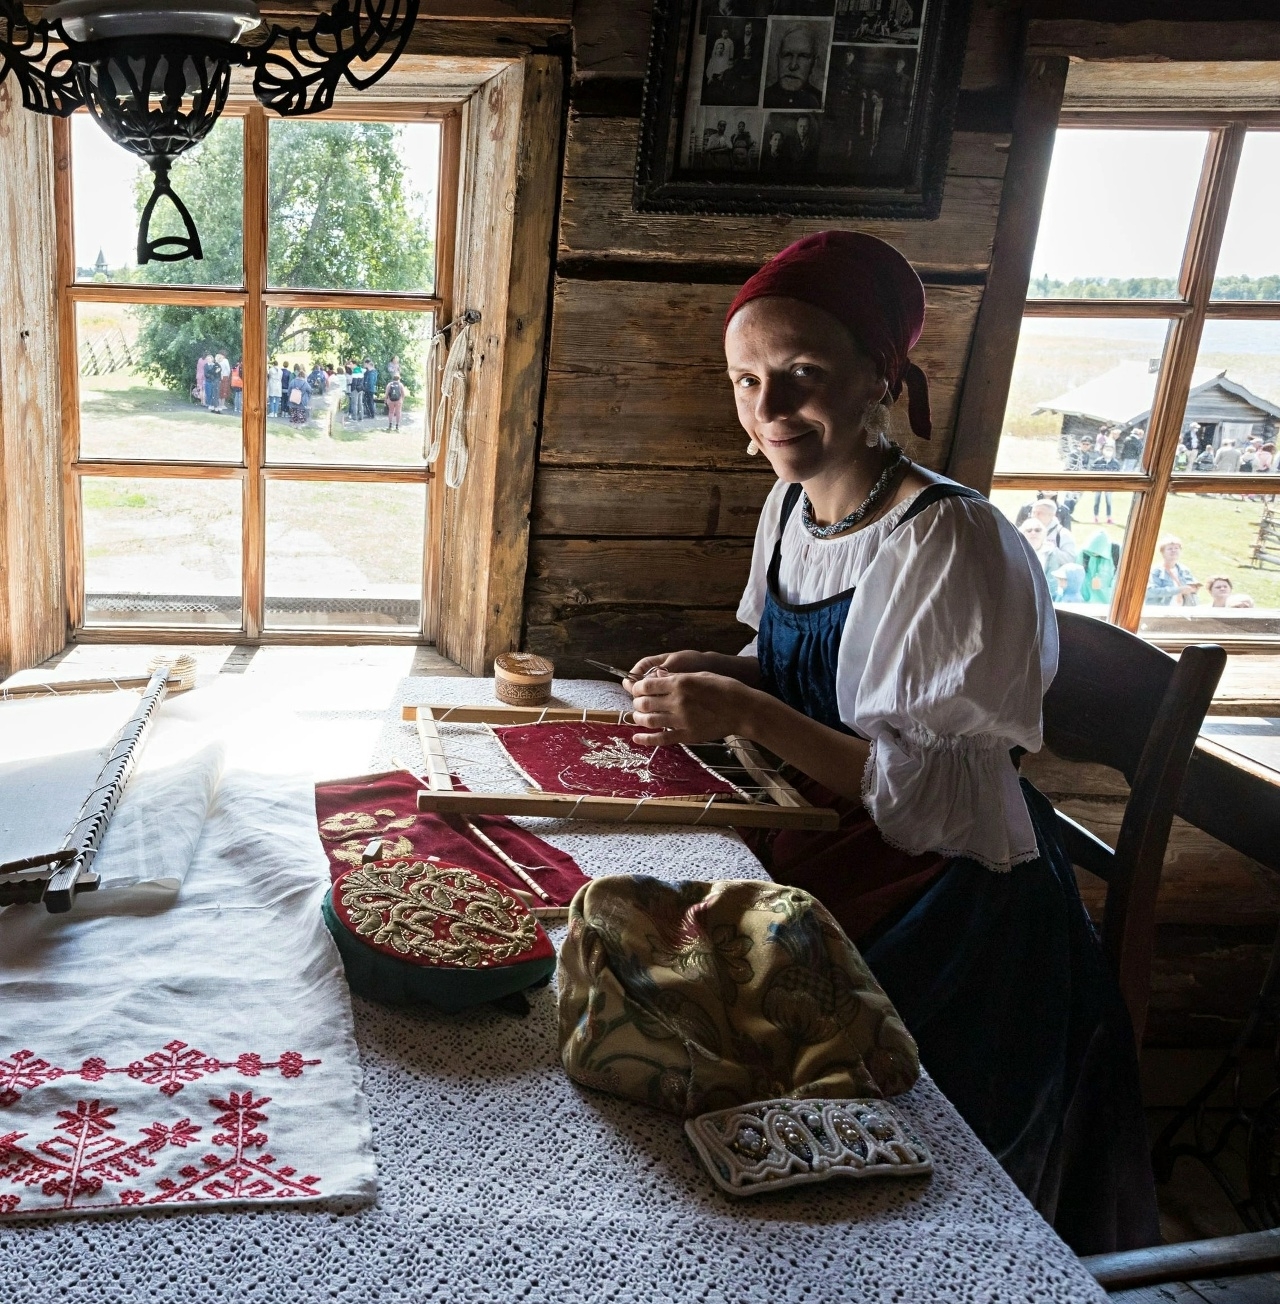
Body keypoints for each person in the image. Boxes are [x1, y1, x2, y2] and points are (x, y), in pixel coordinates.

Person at [622, 231, 1158, 1255]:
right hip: (818, 840)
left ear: (881, 376)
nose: (769, 408)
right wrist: (716, 670)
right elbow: (798, 672)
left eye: (801, 375)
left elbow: (933, 795)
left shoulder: (954, 542)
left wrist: (742, 713)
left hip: (945, 902)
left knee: (708, 1050)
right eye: (746, 379)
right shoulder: (792, 506)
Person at [1020, 518, 1084, 602]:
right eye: (1029, 530)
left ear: (1044, 534)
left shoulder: (1051, 553)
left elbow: (1052, 581)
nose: (1033, 533)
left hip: (1044, 599)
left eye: (1037, 530)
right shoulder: (1015, 552)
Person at [763, 25, 823, 109]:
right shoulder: (763, 97)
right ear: (778, 59)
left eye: (803, 56)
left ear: (814, 63)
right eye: (787, 55)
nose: (793, 66)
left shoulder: (821, 100)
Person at [1146, 535, 1199, 606]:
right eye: (1170, 549)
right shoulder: (1156, 571)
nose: (1173, 550)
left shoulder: (1184, 570)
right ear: (1162, 552)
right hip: (1160, 611)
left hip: (1182, 611)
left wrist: (1193, 588)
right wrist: (1178, 590)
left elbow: (1192, 588)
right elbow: (1151, 592)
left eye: (1176, 548)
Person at [1090, 439, 1119, 522]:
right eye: (1107, 449)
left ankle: (1109, 517)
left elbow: (1118, 476)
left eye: (1110, 450)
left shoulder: (1115, 463)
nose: (1108, 451)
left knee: (1109, 502)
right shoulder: (1098, 461)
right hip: (1098, 484)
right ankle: (1095, 517)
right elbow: (1093, 472)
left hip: (1109, 485)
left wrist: (1114, 486)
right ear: (1103, 450)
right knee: (1096, 501)